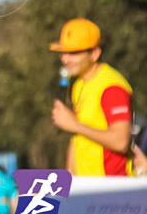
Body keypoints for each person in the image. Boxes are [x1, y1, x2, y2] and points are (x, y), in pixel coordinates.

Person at [49, 18, 134, 176]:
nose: (65, 59)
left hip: (113, 188)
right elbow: (77, 139)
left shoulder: (112, 87)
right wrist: (70, 183)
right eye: (63, 52)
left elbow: (121, 141)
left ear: (95, 53)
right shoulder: (79, 84)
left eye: (74, 53)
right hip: (87, 188)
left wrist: (74, 125)